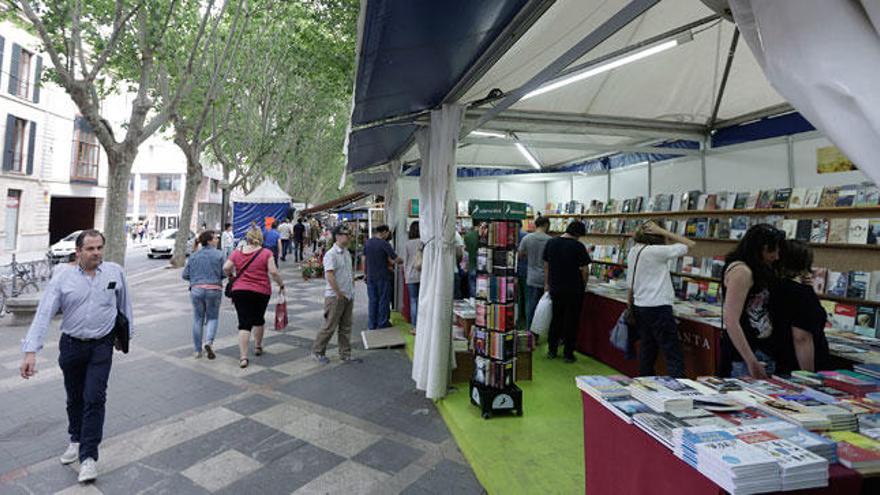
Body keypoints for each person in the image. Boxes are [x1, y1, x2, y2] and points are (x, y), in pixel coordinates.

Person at [19, 230, 133, 483]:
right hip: (71, 345)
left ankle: (89, 457)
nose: (97, 253)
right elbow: (44, 312)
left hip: (101, 345)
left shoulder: (115, 272)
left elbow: (125, 305)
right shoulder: (63, 277)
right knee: (75, 398)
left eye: (100, 248)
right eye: (90, 249)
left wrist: (126, 336)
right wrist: (30, 351)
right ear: (78, 251)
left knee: (94, 397)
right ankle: (76, 438)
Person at [627, 221, 696, 377]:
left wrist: (629, 305)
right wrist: (665, 231)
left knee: (647, 350)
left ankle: (644, 385)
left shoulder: (634, 251)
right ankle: (677, 389)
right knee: (672, 353)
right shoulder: (656, 251)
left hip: (640, 305)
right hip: (658, 307)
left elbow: (630, 283)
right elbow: (691, 244)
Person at [721, 224, 785, 378]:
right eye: (774, 250)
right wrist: (751, 360)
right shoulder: (742, 272)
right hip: (747, 354)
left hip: (758, 349)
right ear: (763, 248)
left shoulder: (753, 268)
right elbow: (731, 320)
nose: (777, 256)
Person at [224, 227, 285, 368]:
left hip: (240, 291)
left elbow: (226, 267)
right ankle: (258, 346)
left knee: (244, 323)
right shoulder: (266, 253)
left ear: (247, 238)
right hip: (261, 291)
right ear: (260, 238)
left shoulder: (237, 252)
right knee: (258, 319)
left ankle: (243, 357)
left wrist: (232, 276)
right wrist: (281, 284)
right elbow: (273, 272)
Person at [770, 240, 830, 373]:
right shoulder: (801, 293)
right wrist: (807, 376)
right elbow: (801, 338)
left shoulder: (773, 286)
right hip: (799, 363)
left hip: (778, 358)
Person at [543, 220, 590, 363]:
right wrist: (584, 285)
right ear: (577, 233)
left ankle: (552, 350)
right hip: (574, 289)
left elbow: (546, 265)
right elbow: (585, 270)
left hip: (556, 287)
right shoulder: (578, 246)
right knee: (572, 320)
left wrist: (547, 283)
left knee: (556, 318)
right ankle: (568, 353)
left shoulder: (551, 243)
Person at [312, 225, 358, 364]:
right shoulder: (331, 254)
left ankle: (345, 353)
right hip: (335, 296)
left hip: (348, 294)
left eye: (349, 234)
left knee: (346, 326)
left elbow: (349, 272)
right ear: (337, 236)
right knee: (329, 326)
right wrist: (338, 293)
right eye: (346, 234)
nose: (348, 237)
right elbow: (329, 275)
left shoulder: (346, 252)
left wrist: (351, 287)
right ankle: (318, 351)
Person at [183, 230, 225, 360]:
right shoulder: (220, 255)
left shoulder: (193, 256)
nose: (217, 240)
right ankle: (209, 342)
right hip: (214, 289)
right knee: (212, 318)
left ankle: (197, 350)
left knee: (197, 319)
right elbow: (225, 273)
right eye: (215, 238)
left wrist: (196, 279)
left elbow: (185, 275)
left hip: (196, 290)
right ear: (209, 241)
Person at [518, 216, 552, 334]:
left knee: (530, 305)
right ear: (546, 225)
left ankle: (529, 332)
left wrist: (529, 256)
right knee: (544, 307)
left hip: (531, 276)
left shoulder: (527, 238)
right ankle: (541, 331)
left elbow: (520, 255)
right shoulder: (550, 240)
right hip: (547, 278)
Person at [363, 225, 400, 330]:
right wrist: (403, 261)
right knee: (383, 300)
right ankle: (383, 323)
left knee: (373, 301)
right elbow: (395, 258)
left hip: (370, 277)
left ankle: (372, 324)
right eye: (388, 233)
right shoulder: (384, 244)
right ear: (384, 232)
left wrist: (365, 273)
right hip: (383, 276)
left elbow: (364, 259)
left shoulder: (368, 242)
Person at [403, 221, 422, 333]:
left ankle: (415, 326)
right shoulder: (423, 243)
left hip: (410, 276)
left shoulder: (407, 244)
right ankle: (423, 325)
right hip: (423, 275)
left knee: (413, 301)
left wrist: (406, 275)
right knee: (422, 301)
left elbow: (405, 262)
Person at [464, 222, 486, 298]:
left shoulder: (467, 236)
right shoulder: (484, 236)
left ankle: (473, 303)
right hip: (481, 266)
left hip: (471, 265)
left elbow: (465, 253)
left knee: (472, 286)